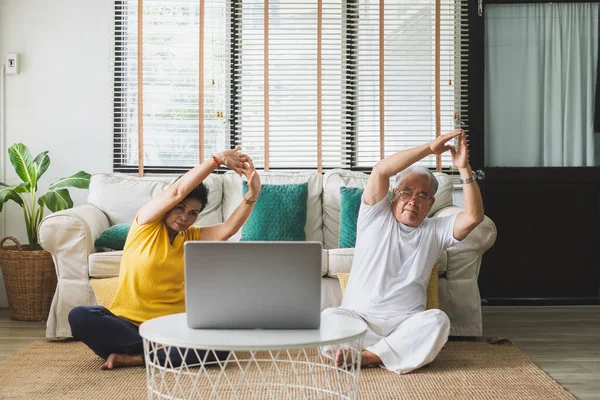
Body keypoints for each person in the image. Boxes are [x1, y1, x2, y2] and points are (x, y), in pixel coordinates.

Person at [68, 147, 262, 369]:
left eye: (193, 213)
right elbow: (177, 191)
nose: (184, 217)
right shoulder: (146, 224)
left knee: (222, 343)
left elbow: (227, 229)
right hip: (127, 325)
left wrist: (251, 196)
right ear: (169, 206)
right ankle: (165, 354)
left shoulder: (190, 236)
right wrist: (217, 160)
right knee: (81, 316)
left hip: (171, 327)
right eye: (180, 209)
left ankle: (136, 358)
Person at [322, 129, 484, 374]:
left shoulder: (436, 230)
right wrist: (431, 148)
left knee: (438, 321)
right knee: (328, 317)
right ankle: (391, 352)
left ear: (430, 204)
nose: (413, 201)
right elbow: (380, 171)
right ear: (394, 195)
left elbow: (473, 217)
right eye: (407, 192)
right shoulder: (375, 214)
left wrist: (464, 168)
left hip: (405, 324)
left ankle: (367, 357)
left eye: (422, 196)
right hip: (358, 320)